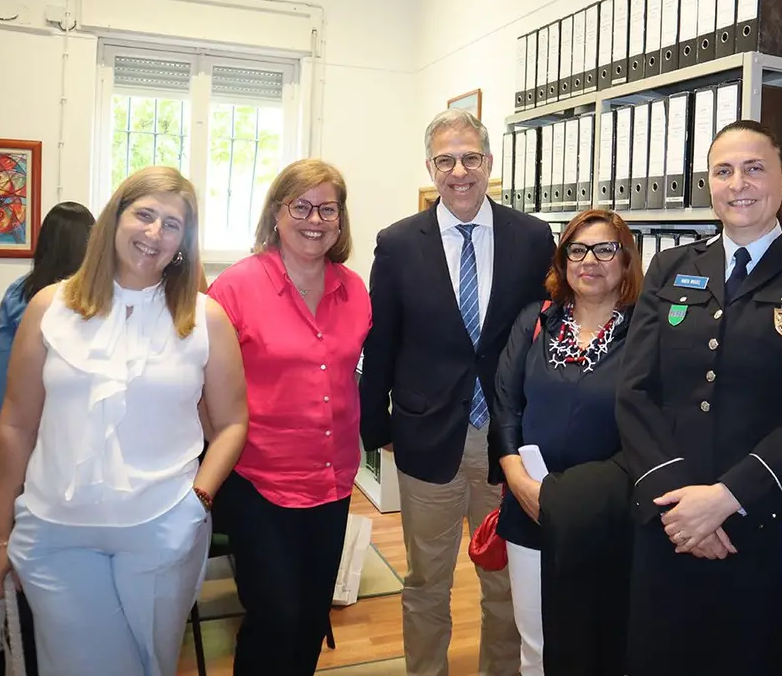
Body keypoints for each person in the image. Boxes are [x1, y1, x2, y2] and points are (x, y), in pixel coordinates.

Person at [616, 119, 782, 676]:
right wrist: (682, 505)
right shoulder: (672, 266)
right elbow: (635, 393)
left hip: (772, 519)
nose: (738, 184)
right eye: (723, 171)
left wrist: (727, 497)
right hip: (671, 519)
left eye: (754, 168)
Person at [0, 166, 249, 676]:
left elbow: (233, 422)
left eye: (172, 224)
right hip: (56, 533)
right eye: (144, 214)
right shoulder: (48, 307)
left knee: (153, 663)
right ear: (114, 218)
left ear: (183, 242)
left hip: (163, 528)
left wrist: (198, 500)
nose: (155, 233)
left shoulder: (205, 318)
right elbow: (15, 425)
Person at [359, 108, 554, 676]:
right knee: (426, 582)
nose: (459, 171)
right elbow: (381, 341)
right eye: (446, 161)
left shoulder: (531, 237)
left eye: (470, 158)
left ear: (489, 162)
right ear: (430, 167)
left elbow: (545, 334)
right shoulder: (398, 243)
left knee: (505, 583)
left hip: (507, 442)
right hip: (427, 439)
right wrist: (377, 428)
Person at [206, 158, 371, 674]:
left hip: (333, 480)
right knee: (274, 617)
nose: (314, 220)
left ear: (340, 220)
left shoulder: (354, 290)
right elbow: (203, 390)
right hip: (259, 482)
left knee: (310, 617)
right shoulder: (234, 288)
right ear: (276, 213)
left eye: (328, 209)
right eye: (301, 206)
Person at [490, 208, 641, 675]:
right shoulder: (535, 321)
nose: (589, 261)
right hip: (529, 505)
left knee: (597, 643)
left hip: (605, 513)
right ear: (563, 261)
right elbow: (505, 404)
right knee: (536, 644)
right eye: (577, 250)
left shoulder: (647, 333)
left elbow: (651, 426)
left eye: (604, 249)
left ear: (626, 260)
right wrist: (518, 481)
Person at [0, 202, 95, 428]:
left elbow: (4, 364)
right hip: (82, 418)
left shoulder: (19, 292)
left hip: (27, 417)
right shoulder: (100, 295)